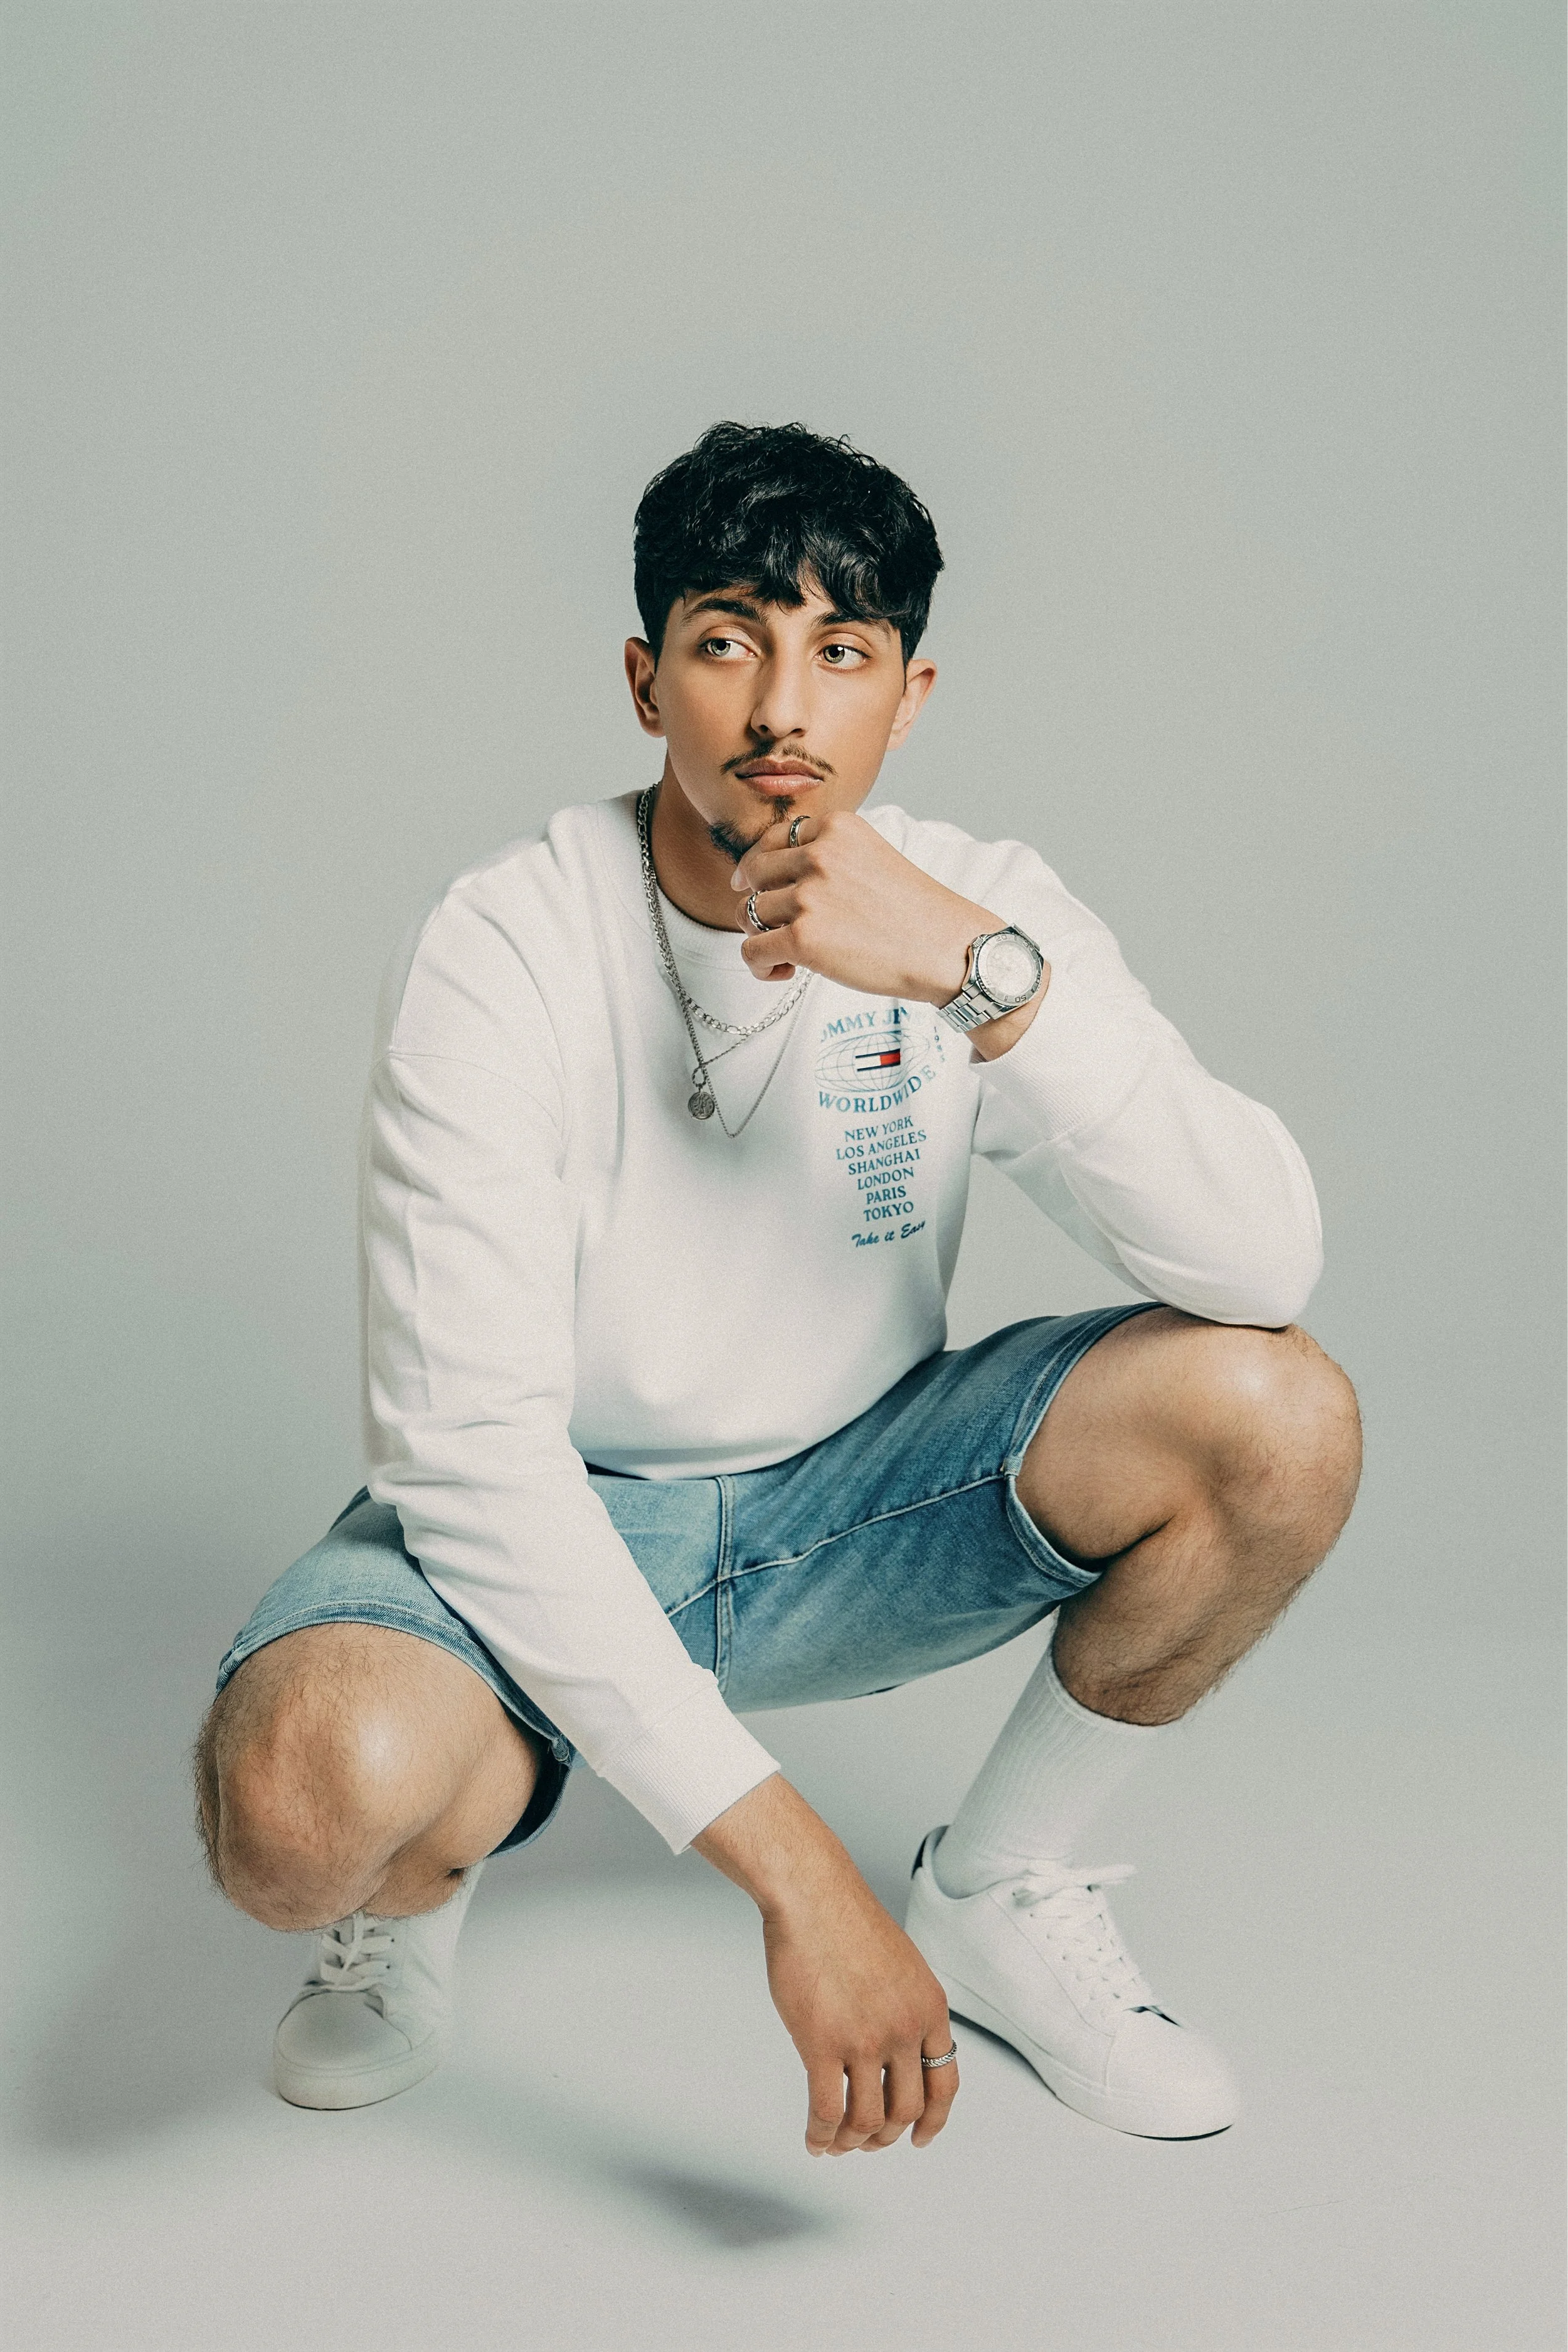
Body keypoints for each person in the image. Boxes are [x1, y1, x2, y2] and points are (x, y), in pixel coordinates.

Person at [194, 421, 1360, 2156]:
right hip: (560, 1519)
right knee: (301, 1806)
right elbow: (465, 1454)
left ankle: (1001, 1889)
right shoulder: (508, 937)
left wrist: (980, 980)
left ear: (911, 691)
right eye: (728, 639)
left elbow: (1261, 1263)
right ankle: (430, 1866)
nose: (781, 712)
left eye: (844, 652)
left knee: (1276, 1413)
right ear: (645, 679)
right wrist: (799, 1874)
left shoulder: (987, 909)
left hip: (865, 1503)